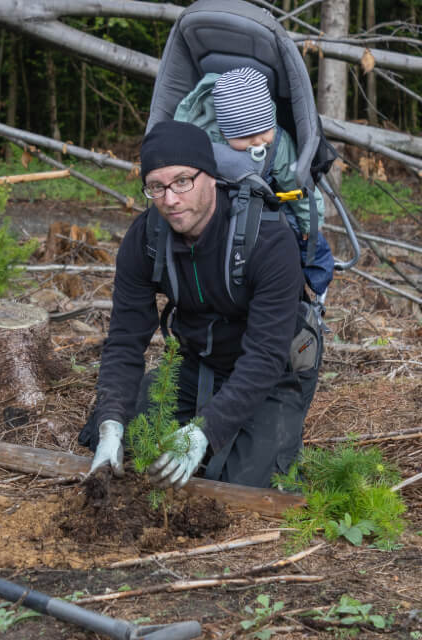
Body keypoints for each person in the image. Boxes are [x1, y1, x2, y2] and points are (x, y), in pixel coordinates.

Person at [78, 119, 321, 489]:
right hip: (197, 364)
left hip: (271, 372)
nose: (170, 199)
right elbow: (125, 340)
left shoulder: (266, 238)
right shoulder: (145, 240)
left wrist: (204, 431)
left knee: (241, 486)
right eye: (156, 187)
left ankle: (268, 439)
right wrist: (110, 424)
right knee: (122, 442)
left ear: (210, 175)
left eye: (182, 181)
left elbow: (266, 355)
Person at [175, 66, 334, 296]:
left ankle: (316, 283)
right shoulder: (205, 136)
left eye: (264, 131)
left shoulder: (277, 144)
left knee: (305, 237)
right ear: (225, 132)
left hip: (265, 201)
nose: (258, 141)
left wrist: (311, 222)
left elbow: (295, 184)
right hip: (217, 204)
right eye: (245, 137)